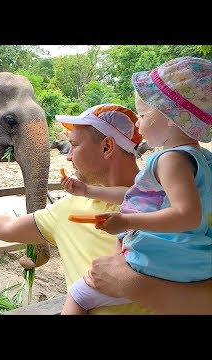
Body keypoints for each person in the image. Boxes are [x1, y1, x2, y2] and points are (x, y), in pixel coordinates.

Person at [0, 103, 157, 314]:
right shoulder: (71, 207)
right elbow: (9, 227)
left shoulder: (166, 208)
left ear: (107, 146)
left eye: (75, 145)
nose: (68, 156)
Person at [60, 56, 212, 315]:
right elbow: (141, 196)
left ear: (170, 118)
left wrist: (128, 222)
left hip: (157, 261)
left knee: (77, 296)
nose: (138, 125)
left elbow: (187, 215)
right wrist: (87, 190)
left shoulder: (170, 159)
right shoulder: (201, 159)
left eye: (142, 115)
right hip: (194, 260)